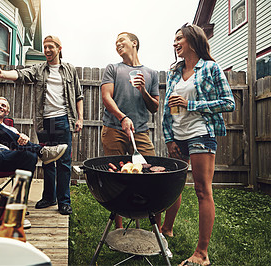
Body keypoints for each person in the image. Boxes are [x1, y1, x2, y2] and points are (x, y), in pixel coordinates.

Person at [162, 23, 235, 266]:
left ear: (193, 41)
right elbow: (167, 107)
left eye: (179, 38)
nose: (175, 43)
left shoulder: (210, 68)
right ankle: (166, 230)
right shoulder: (175, 70)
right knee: (173, 185)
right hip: (178, 134)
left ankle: (201, 253)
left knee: (202, 190)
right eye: (174, 40)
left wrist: (190, 105)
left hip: (200, 133)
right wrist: (169, 137)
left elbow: (228, 102)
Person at [0, 35, 83, 215]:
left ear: (59, 48)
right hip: (44, 121)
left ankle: (64, 201)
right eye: (45, 47)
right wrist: (2, 74)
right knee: (47, 161)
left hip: (63, 119)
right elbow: (20, 74)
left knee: (64, 162)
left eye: (51, 47)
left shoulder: (69, 70)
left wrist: (80, 118)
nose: (47, 50)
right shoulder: (39, 69)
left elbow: (79, 95)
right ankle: (49, 197)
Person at [0, 69, 68, 179]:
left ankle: (21, 195)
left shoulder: (11, 130)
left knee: (30, 155)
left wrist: (25, 138)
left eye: (3, 106)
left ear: (7, 112)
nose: (0, 106)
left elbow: (21, 144)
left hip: (6, 160)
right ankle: (40, 150)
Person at [101, 32, 159, 228]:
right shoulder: (113, 69)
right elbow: (107, 97)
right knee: (116, 177)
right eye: (115, 42)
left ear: (134, 43)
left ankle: (155, 229)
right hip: (114, 129)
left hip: (140, 131)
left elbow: (154, 107)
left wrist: (143, 90)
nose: (117, 44)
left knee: (152, 174)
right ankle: (118, 227)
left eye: (121, 40)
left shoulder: (151, 73)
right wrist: (122, 117)